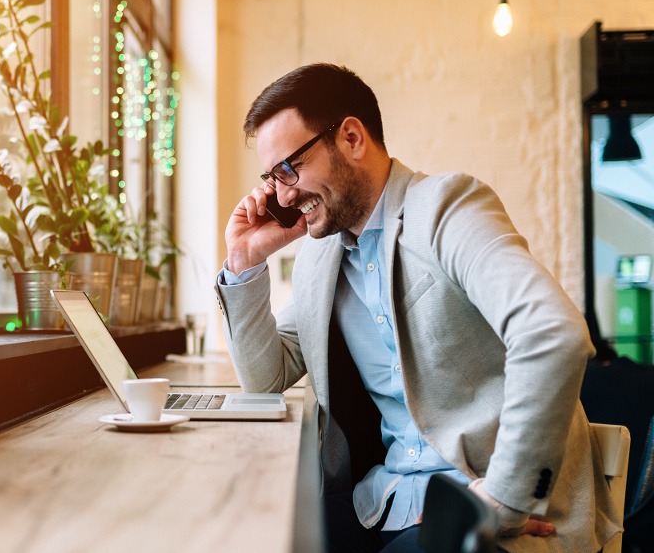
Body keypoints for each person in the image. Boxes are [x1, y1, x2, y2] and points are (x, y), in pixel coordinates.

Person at [215, 63, 621, 552]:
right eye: (271, 177)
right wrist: (243, 262)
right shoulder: (319, 258)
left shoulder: (448, 207)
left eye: (289, 168)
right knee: (260, 536)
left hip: (493, 515)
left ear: (351, 138)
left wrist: (505, 500)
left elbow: (553, 335)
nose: (281, 193)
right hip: (386, 501)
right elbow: (264, 378)